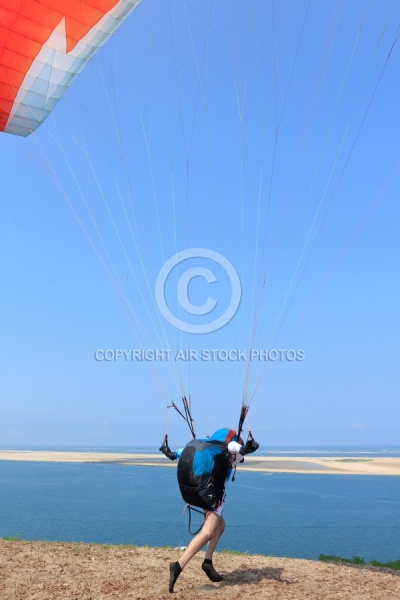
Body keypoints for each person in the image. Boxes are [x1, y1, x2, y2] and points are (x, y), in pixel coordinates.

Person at [160, 428, 259, 593]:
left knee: (220, 525)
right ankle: (178, 565)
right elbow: (236, 449)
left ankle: (207, 562)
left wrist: (167, 451)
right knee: (208, 531)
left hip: (200, 489)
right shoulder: (230, 448)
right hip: (213, 494)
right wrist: (246, 449)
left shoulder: (209, 447)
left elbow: (176, 454)